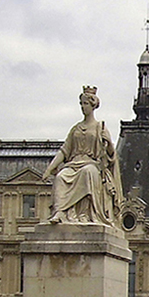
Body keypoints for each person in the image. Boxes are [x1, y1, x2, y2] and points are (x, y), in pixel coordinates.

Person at [43, 86, 123, 226]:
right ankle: (60, 212)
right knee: (61, 177)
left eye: (85, 103)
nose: (82, 107)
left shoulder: (100, 127)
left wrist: (109, 143)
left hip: (92, 165)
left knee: (87, 173)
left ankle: (84, 214)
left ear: (93, 105)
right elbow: (64, 151)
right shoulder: (76, 129)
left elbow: (111, 156)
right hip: (73, 164)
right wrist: (49, 169)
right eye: (81, 104)